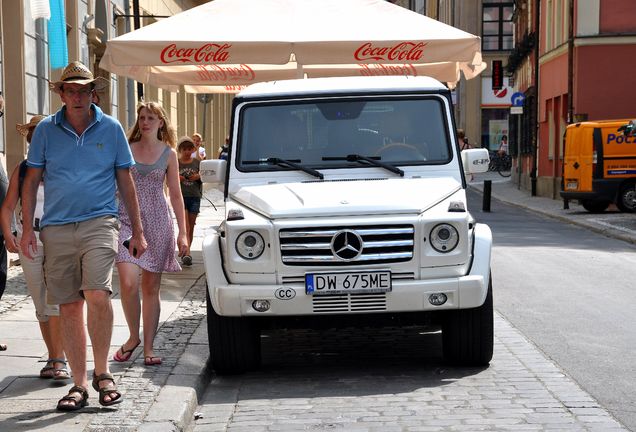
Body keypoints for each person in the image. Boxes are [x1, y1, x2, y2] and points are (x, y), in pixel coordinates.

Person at [20, 61, 147, 411]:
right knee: (69, 305)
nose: (77, 96)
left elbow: (126, 180)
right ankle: (78, 384)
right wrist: (29, 226)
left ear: (94, 93)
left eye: (83, 90)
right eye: (70, 90)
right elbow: (30, 181)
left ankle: (103, 372)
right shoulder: (45, 130)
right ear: (61, 93)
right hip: (56, 227)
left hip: (100, 222)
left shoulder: (111, 128)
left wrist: (138, 229)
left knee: (96, 292)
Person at [113, 102, 188, 367]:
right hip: (126, 221)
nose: (145, 122)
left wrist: (183, 232)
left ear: (161, 123)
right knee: (129, 281)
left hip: (158, 223)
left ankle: (148, 347)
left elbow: (176, 194)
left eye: (151, 118)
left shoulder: (168, 154)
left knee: (150, 288)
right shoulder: (126, 149)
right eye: (142, 117)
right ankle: (133, 337)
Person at [0, 115, 69, 380]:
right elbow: (7, 208)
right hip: (30, 243)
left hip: (58, 241)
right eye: (34, 133)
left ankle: (59, 359)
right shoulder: (25, 167)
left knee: (55, 301)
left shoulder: (61, 164)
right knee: (41, 303)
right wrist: (9, 235)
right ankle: (53, 356)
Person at [177, 136, 202, 266]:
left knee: (191, 227)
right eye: (184, 149)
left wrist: (197, 176)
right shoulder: (176, 163)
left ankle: (186, 250)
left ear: (193, 149)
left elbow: (205, 177)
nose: (187, 151)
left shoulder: (198, 163)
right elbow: (169, 180)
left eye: (189, 149)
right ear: (180, 150)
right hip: (181, 197)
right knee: (185, 226)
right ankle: (188, 254)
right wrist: (178, 177)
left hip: (194, 196)